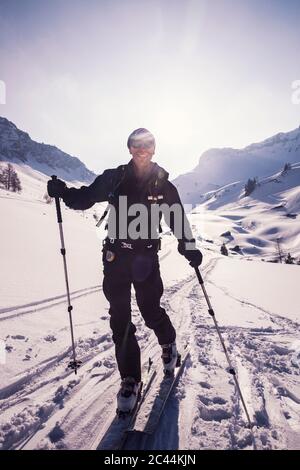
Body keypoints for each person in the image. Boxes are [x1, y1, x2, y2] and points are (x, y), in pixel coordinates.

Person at [47, 128, 202, 414]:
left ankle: (168, 343)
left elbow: (177, 218)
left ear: (153, 149)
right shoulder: (114, 177)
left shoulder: (163, 183)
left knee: (150, 310)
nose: (141, 149)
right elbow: (84, 199)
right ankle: (130, 378)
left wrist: (188, 246)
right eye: (136, 145)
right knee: (120, 318)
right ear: (129, 148)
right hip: (115, 257)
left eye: (147, 145)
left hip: (145, 259)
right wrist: (63, 192)